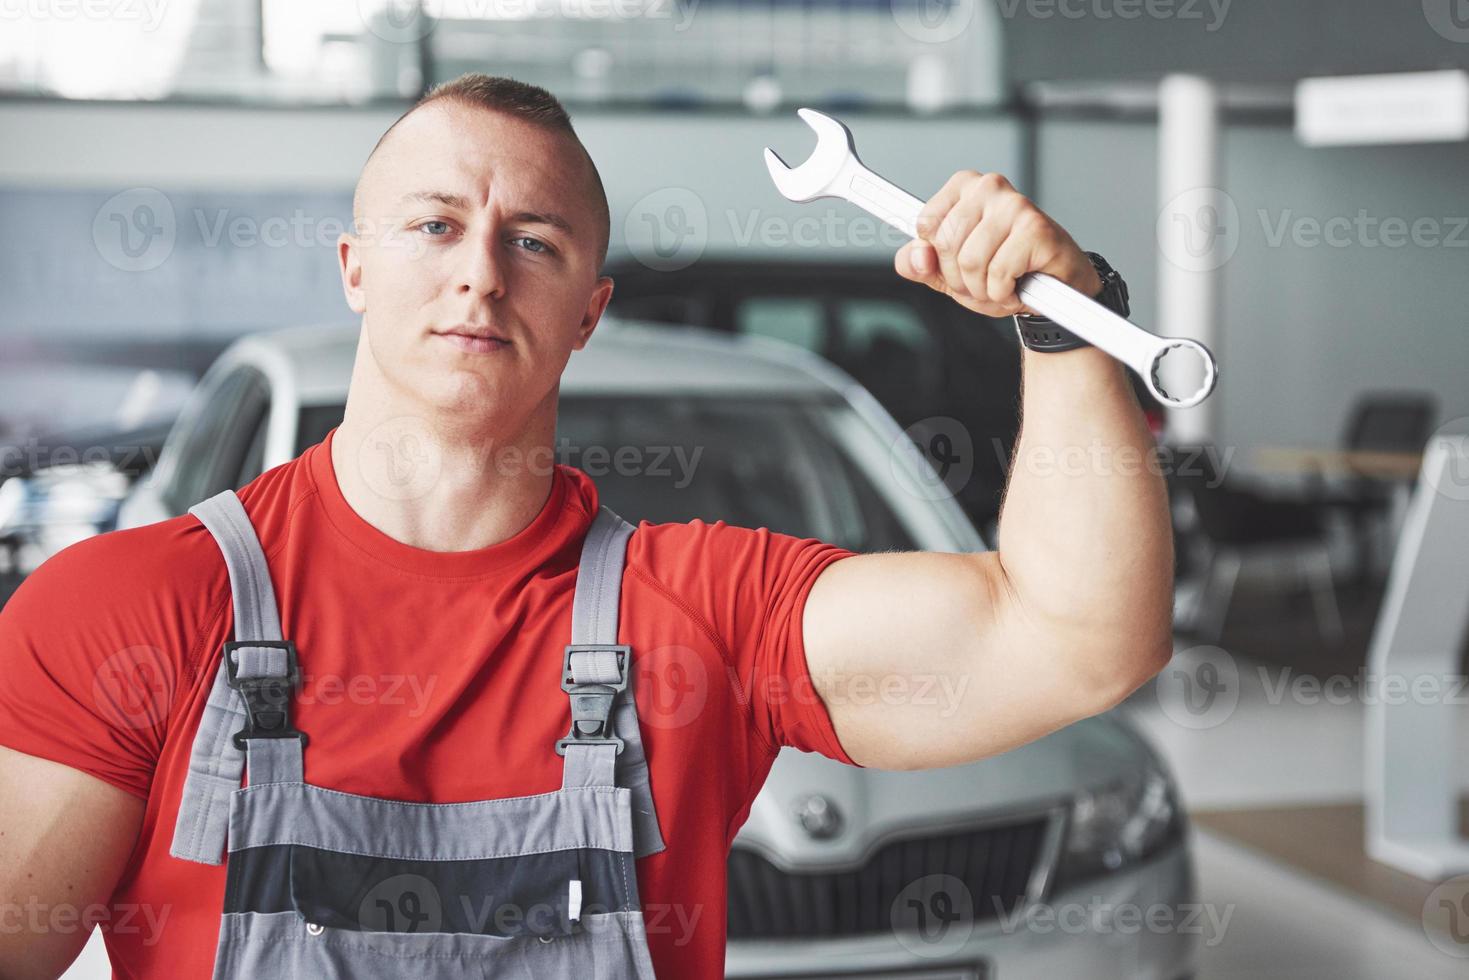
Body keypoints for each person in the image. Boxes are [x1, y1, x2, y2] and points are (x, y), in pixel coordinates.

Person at [0, 74, 1174, 979]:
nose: (480, 275)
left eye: (534, 241)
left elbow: (1075, 636)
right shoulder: (132, 607)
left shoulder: (703, 613)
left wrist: (1062, 328)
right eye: (434, 225)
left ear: (589, 311)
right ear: (355, 266)